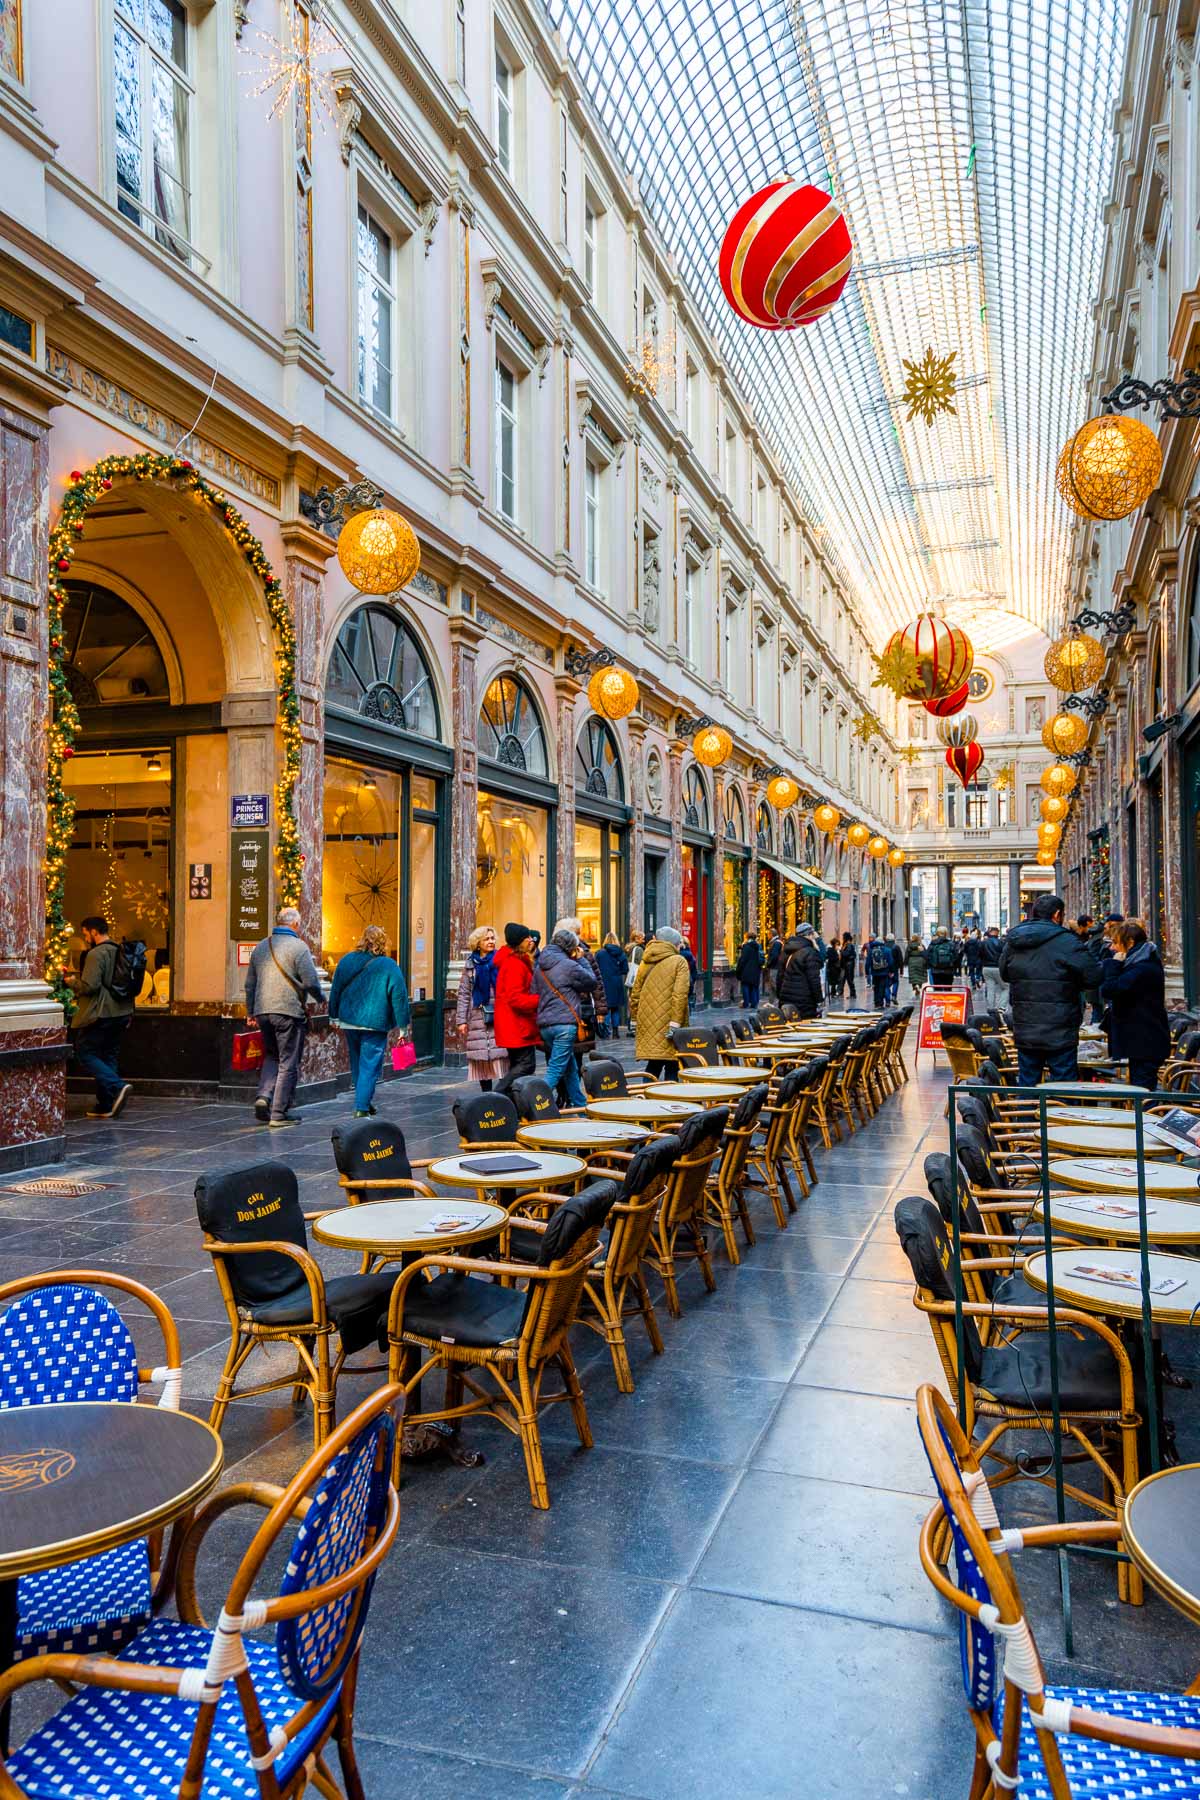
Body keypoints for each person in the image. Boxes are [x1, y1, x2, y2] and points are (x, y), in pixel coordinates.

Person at [998, 893, 1102, 1088]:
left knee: (1028, 1084)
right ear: (1057, 915)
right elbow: (1094, 976)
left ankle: (1026, 1118)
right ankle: (1059, 1118)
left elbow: (1004, 973)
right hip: (1060, 1026)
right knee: (1063, 1086)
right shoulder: (1068, 942)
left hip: (1026, 1024)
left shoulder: (1015, 941)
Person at [245, 905, 323, 1126]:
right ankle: (278, 1114)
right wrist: (321, 999)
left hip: (263, 1011)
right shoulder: (299, 947)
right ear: (296, 924)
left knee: (272, 1055)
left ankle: (263, 1096)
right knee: (288, 1061)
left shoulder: (261, 946)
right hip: (288, 1011)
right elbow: (310, 981)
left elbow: (250, 984)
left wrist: (250, 1011)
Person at [329, 924, 411, 1117]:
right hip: (375, 1023)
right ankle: (362, 1107)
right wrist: (403, 1026)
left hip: (349, 1021)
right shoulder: (388, 964)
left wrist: (333, 1015)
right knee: (370, 1064)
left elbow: (336, 989)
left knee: (357, 1062)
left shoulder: (346, 960)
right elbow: (399, 996)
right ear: (383, 943)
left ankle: (364, 1100)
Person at [72, 915, 135, 1119]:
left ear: (93, 931)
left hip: (102, 1012)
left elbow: (90, 986)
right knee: (108, 1055)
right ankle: (106, 1104)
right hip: (123, 1012)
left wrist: (71, 981)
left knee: (85, 1052)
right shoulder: (120, 950)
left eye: (85, 933)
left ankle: (117, 1087)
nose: (85, 937)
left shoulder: (95, 954)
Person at [1099, 919, 1171, 1092]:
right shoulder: (1140, 963)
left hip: (1146, 1042)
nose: (1112, 948)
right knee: (1140, 1089)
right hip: (1142, 1041)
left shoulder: (1142, 968)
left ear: (1130, 942)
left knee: (1143, 1093)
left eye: (1115, 943)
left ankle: (1147, 1118)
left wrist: (1114, 964)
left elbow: (1110, 989)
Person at [534, 927, 597, 1109]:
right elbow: (591, 982)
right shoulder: (569, 965)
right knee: (555, 1069)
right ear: (570, 947)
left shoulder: (540, 966)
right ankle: (533, 1102)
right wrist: (582, 959)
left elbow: (534, 992)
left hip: (546, 1025)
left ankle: (580, 1105)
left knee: (569, 1069)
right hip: (565, 1025)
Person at [630, 925, 691, 1078]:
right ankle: (668, 1096)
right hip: (669, 1020)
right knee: (672, 1063)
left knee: (654, 1062)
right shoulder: (679, 961)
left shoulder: (646, 960)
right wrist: (675, 1023)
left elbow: (635, 993)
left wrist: (635, 1018)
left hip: (647, 1019)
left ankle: (647, 1096)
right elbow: (680, 995)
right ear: (673, 944)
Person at [455, 925, 507, 1091]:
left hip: (500, 1014)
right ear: (478, 943)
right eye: (487, 939)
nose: (491, 941)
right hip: (478, 1017)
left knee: (501, 1058)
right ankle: (487, 1096)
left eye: (492, 938)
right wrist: (461, 1020)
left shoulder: (500, 960)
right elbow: (464, 993)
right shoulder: (471, 964)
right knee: (482, 1058)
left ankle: (504, 1096)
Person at [493, 923, 541, 1096]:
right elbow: (516, 998)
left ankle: (511, 1102)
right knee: (526, 1065)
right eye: (526, 937)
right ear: (518, 942)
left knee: (518, 1065)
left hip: (515, 1023)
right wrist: (540, 999)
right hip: (516, 1024)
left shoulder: (516, 961)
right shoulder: (514, 964)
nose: (531, 940)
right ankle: (497, 1096)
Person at [778, 922, 825, 1018]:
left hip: (786, 998)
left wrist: (781, 995)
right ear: (810, 935)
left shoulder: (787, 949)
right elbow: (814, 979)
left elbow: (780, 975)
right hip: (804, 1001)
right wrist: (819, 1000)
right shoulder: (809, 952)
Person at [596, 932, 630, 1036]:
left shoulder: (600, 953)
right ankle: (615, 1032)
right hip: (616, 982)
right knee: (615, 1008)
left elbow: (595, 968)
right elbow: (625, 969)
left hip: (604, 982)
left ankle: (606, 1030)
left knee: (606, 1007)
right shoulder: (620, 953)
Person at [978, 925, 1006, 1011]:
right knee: (1005, 988)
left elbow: (979, 955)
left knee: (990, 989)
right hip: (998, 968)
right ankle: (1001, 1007)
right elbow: (1005, 955)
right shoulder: (1001, 943)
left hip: (986, 968)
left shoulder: (983, 943)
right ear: (997, 933)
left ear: (990, 933)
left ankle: (991, 1008)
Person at [735, 931, 764, 1011]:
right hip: (756, 969)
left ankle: (746, 1003)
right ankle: (754, 1003)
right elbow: (761, 958)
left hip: (746, 970)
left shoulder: (746, 947)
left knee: (745, 986)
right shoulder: (758, 946)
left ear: (747, 938)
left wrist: (738, 969)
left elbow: (743, 960)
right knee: (754, 986)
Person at [926, 926, 961, 991]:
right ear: (946, 933)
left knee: (938, 990)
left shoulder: (933, 944)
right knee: (948, 990)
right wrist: (953, 966)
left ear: (937, 933)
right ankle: (947, 1000)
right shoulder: (951, 944)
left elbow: (927, 956)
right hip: (948, 971)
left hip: (936, 971)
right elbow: (956, 957)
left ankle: (939, 1000)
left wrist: (932, 965)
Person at [866, 932, 893, 1008]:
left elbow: (867, 962)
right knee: (882, 987)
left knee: (876, 987)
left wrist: (867, 972)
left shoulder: (871, 950)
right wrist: (891, 971)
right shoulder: (887, 950)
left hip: (874, 972)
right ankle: (880, 1003)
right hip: (884, 972)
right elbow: (890, 962)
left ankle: (876, 1002)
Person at [838, 932, 858, 1002]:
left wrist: (841, 951)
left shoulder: (849, 945)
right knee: (845, 979)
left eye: (843, 937)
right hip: (847, 964)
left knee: (849, 980)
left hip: (848, 965)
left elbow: (846, 954)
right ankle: (848, 993)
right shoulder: (847, 944)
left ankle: (853, 994)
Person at [681, 935, 699, 1002]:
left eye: (680, 942)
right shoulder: (689, 954)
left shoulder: (681, 954)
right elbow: (694, 972)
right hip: (688, 982)